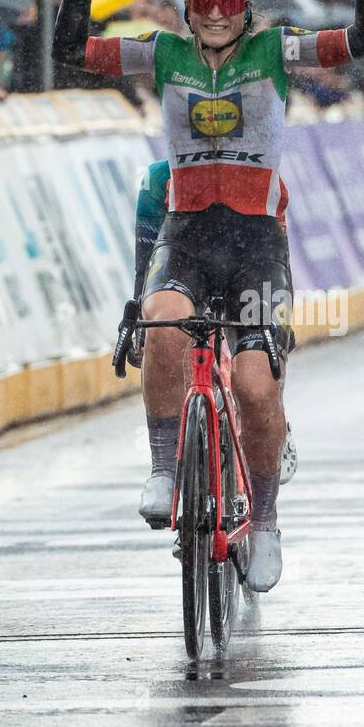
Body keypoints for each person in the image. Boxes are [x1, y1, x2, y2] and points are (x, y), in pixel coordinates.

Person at [53, 0, 364, 591]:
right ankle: (164, 469)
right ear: (187, 7)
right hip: (189, 233)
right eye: (202, 2)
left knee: (255, 385)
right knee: (165, 323)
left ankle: (263, 521)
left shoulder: (277, 50)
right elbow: (69, 52)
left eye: (227, 2)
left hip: (257, 241)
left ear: (246, 8)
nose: (213, 14)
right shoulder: (162, 52)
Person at [130, 159, 298, 485]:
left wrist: (282, 330)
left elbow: (279, 266)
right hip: (183, 272)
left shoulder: (259, 177)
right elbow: (145, 267)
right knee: (167, 333)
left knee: (256, 366)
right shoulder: (157, 180)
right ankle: (168, 465)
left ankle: (276, 422)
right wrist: (142, 322)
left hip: (247, 269)